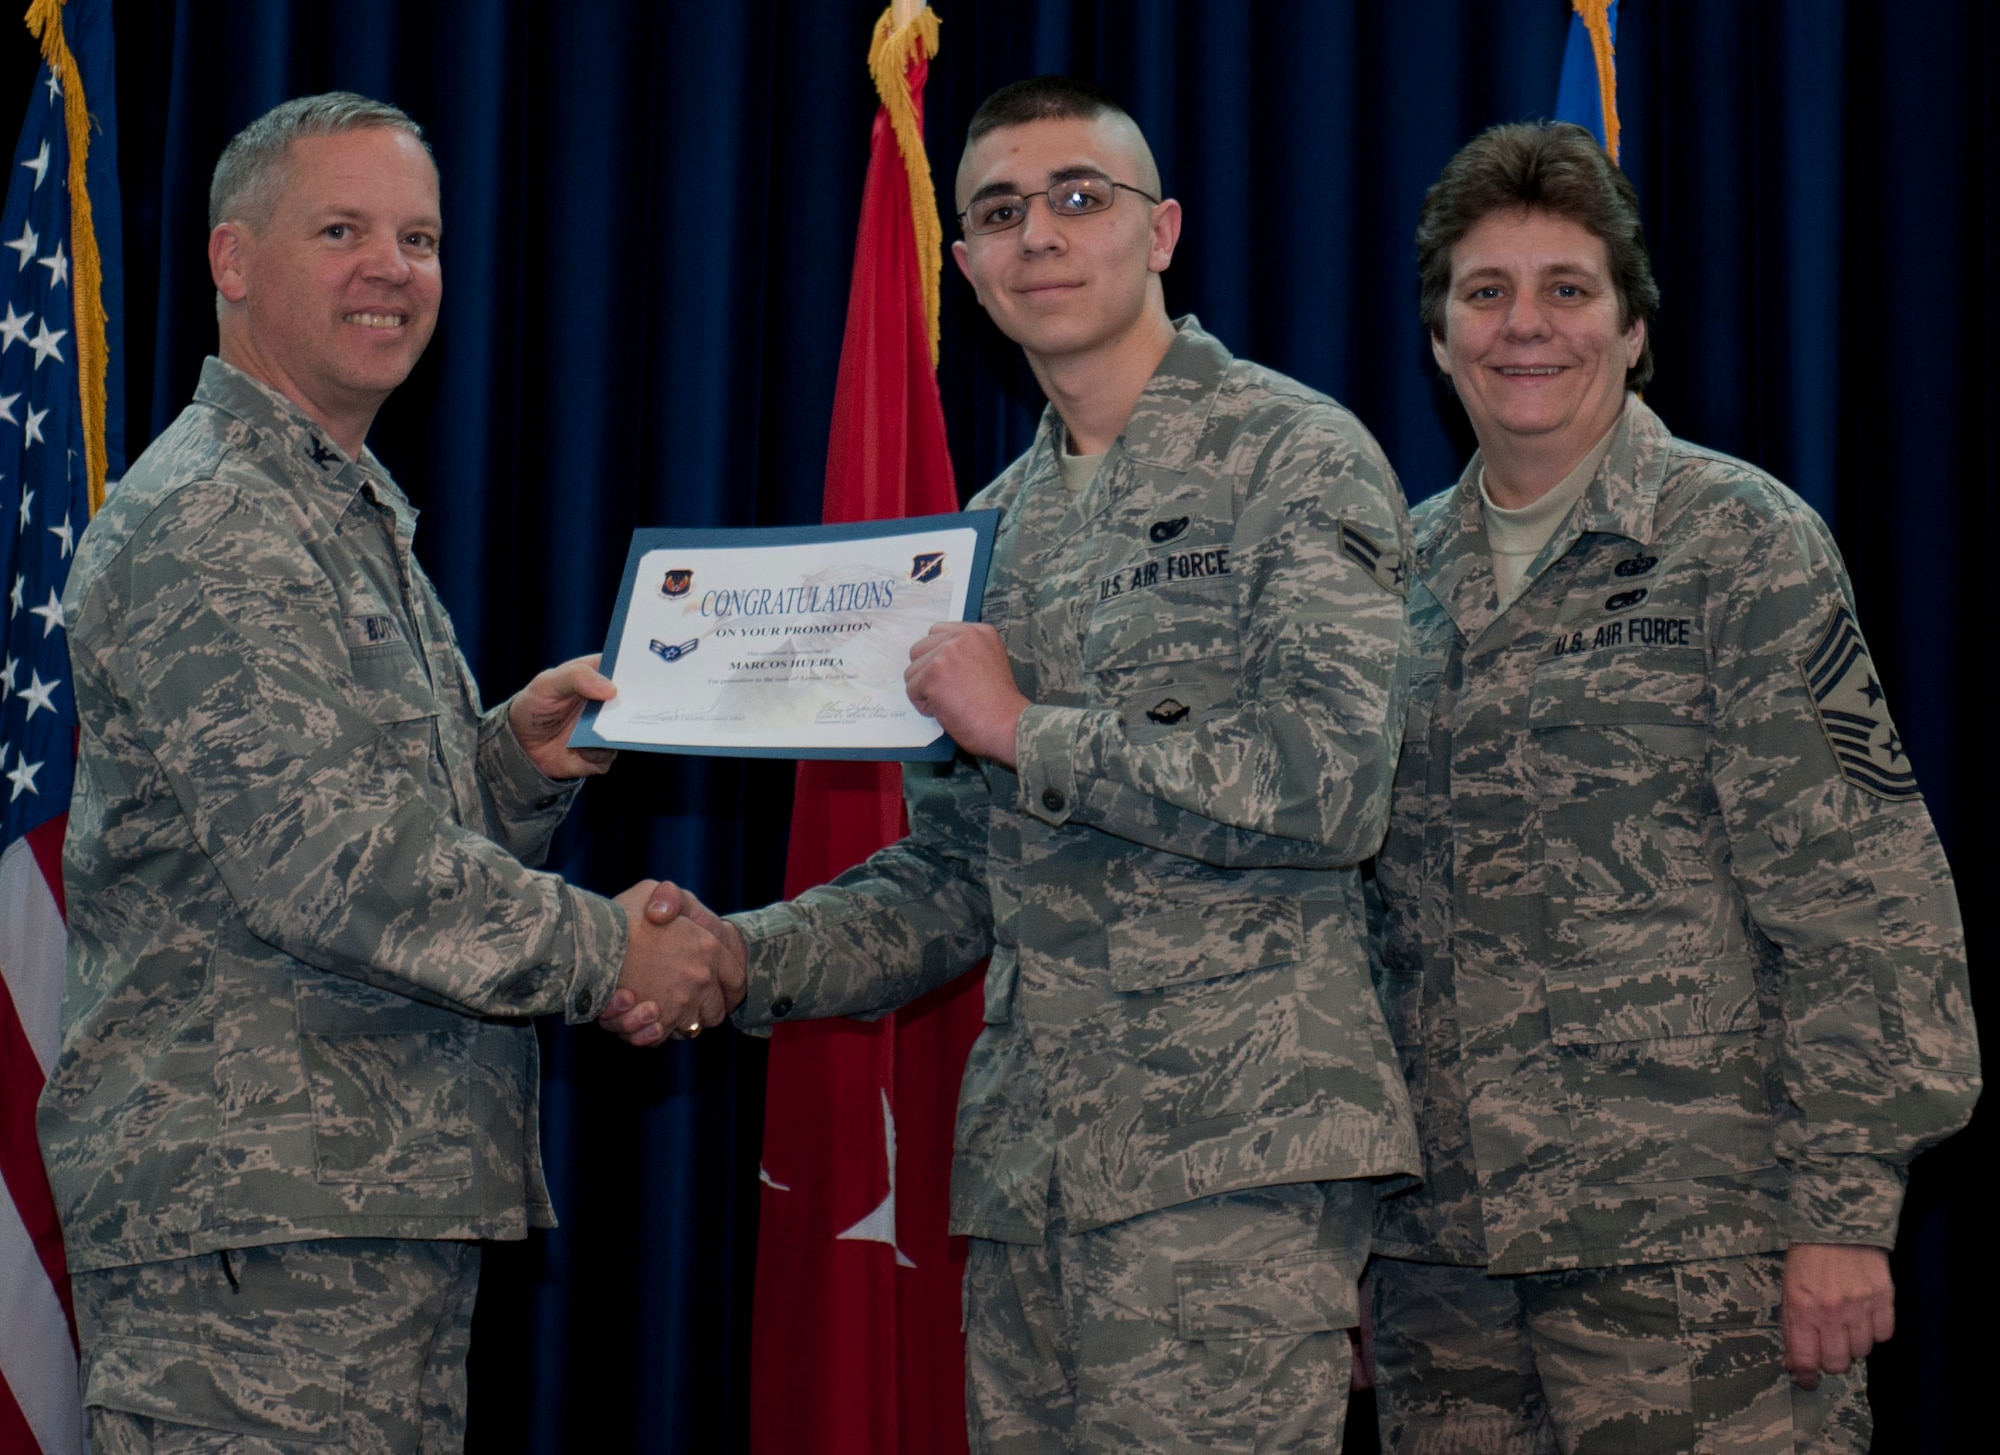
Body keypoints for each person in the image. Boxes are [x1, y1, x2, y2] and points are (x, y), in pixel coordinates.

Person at [607, 75, 1419, 1451]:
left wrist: (1025, 730)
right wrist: (739, 962)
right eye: (1000, 212)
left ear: (1160, 232)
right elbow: (951, 879)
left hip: (1232, 1160)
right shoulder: (985, 535)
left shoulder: (1293, 453)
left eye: (1078, 199)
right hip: (1033, 1175)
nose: (1040, 234)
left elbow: (1334, 782)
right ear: (967, 266)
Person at [40, 93, 740, 1453]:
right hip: (257, 1227)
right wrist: (613, 953)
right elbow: (331, 869)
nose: (393, 268)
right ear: (233, 261)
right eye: (343, 229)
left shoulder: (337, 509)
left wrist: (510, 766)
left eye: (418, 237)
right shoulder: (215, 520)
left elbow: (354, 842)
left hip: (360, 1203)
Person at [1363, 120, 1981, 1454]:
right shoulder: (1387, 586)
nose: (1528, 327)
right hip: (1445, 1274)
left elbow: (1866, 894)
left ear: (1635, 329)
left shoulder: (1740, 545)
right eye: (1487, 293)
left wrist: (1840, 1210)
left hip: (1703, 1257)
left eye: (1568, 290)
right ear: (1438, 335)